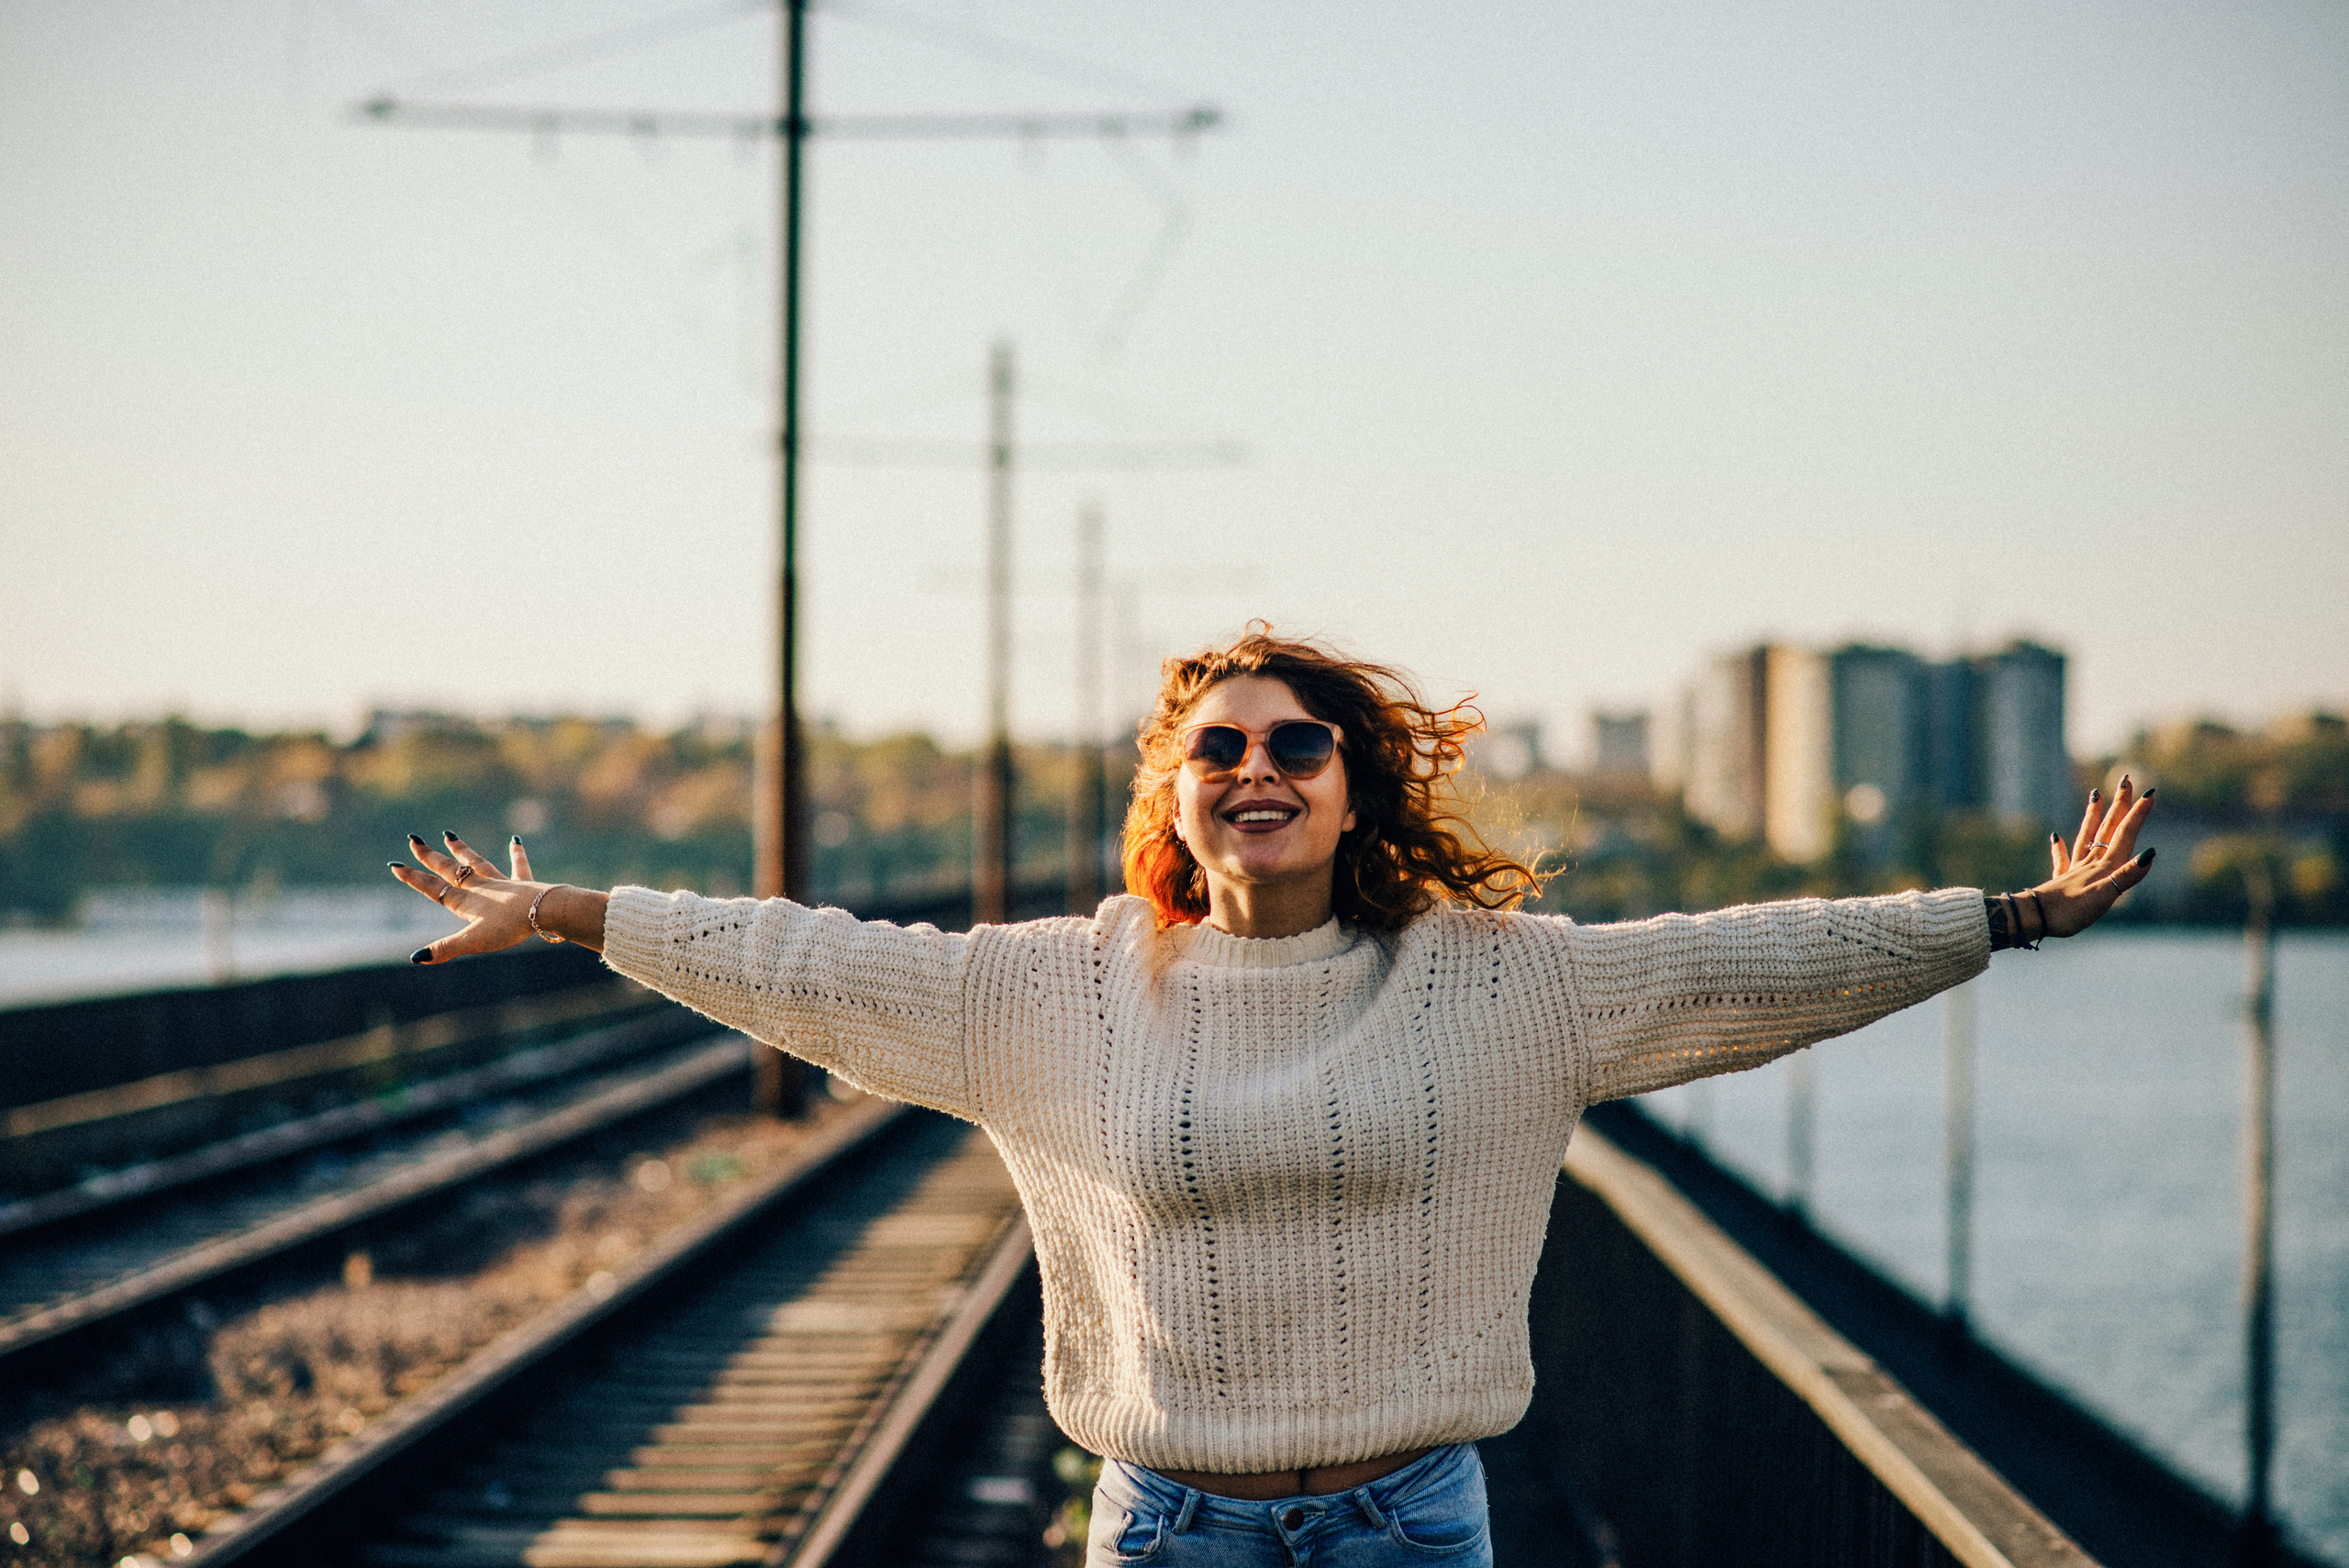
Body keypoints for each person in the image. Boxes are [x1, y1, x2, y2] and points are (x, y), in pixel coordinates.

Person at [390, 628, 2154, 1566]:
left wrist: (2009, 917)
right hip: (1167, 1527)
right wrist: (565, 908)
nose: (1257, 768)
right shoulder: (1056, 987)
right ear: (1173, 798)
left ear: (1351, 785)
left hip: (1409, 1518)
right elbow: (812, 961)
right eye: (1217, 747)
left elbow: (1751, 962)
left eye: (1296, 742)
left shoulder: (1498, 977)